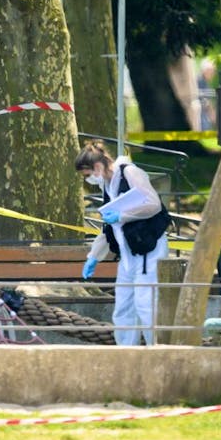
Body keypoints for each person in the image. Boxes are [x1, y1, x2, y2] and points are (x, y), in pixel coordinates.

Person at [75, 142, 168, 346]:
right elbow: (109, 228)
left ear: (97, 167)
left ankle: (158, 349)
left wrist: (123, 215)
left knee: (146, 304)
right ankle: (126, 350)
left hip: (148, 251)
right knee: (124, 307)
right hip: (128, 254)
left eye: (87, 174)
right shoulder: (107, 186)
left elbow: (153, 204)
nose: (87, 180)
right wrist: (93, 257)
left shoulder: (131, 173)